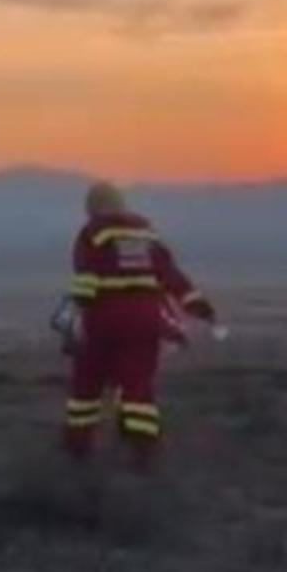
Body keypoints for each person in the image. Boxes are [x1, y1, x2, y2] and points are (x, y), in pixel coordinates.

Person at [65, 180, 215, 472]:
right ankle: (143, 454)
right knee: (138, 387)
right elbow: (171, 275)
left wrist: (76, 317)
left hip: (104, 319)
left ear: (92, 208)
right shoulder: (146, 234)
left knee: (87, 384)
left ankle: (78, 449)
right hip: (145, 320)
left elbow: (85, 280)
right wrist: (199, 306)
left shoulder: (94, 233)